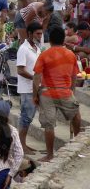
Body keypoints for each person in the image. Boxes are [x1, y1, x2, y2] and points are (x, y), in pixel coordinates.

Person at [33, 26, 82, 162]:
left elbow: (37, 77)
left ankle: (49, 155)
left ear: (51, 39)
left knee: (49, 125)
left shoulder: (44, 55)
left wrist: (35, 95)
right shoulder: (71, 55)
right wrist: (72, 91)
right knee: (76, 117)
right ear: (63, 40)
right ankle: (77, 146)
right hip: (65, 92)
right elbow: (74, 76)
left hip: (47, 93)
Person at [16, 22, 43, 155]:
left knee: (28, 117)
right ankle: (21, 146)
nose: (40, 35)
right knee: (26, 117)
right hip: (27, 89)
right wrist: (35, 78)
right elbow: (20, 70)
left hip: (35, 88)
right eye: (38, 33)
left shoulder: (37, 48)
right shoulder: (23, 49)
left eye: (41, 33)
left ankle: (23, 144)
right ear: (30, 34)